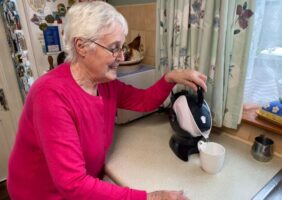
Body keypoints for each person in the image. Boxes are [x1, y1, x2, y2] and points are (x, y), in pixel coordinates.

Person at [7, 2, 207, 200]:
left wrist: (170, 78)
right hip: (40, 194)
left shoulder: (105, 83)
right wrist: (152, 197)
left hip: (84, 184)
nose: (121, 56)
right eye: (114, 48)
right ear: (82, 46)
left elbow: (144, 101)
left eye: (122, 47)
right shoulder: (50, 95)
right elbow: (73, 185)